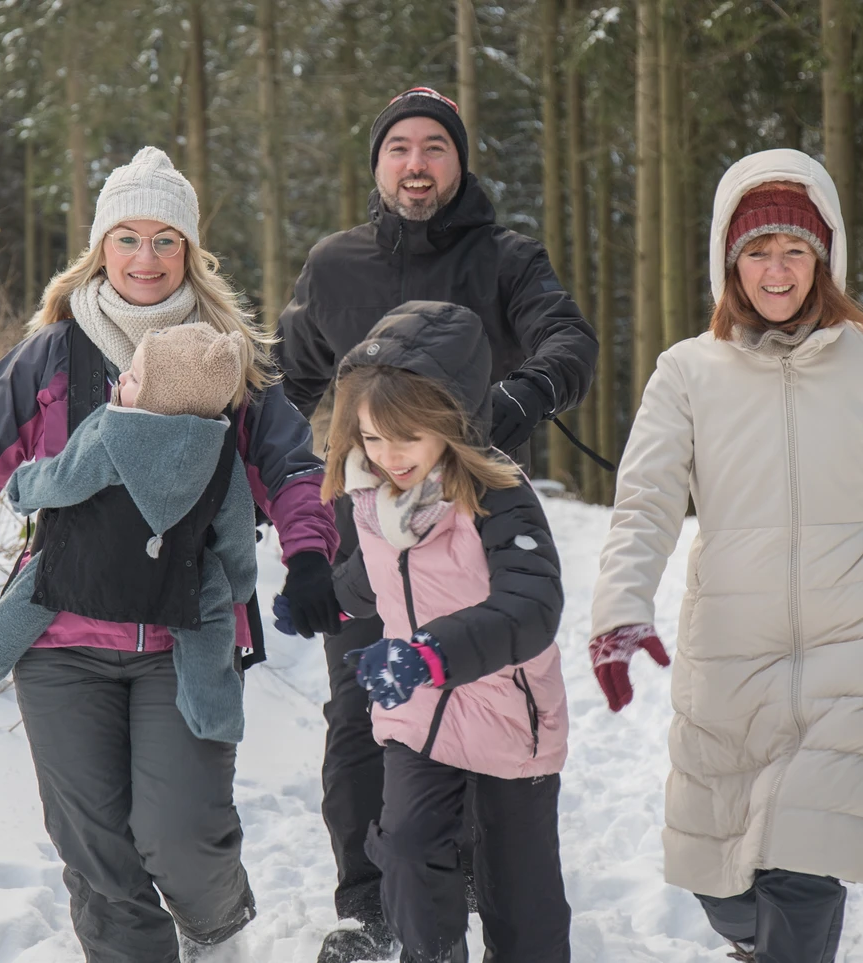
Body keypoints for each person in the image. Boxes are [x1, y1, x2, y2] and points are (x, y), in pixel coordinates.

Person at [0, 147, 341, 963]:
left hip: (188, 638)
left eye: (164, 240)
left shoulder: (224, 358)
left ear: (190, 253)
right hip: (61, 644)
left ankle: (212, 933)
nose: (144, 259)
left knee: (182, 837)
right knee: (99, 863)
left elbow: (292, 470)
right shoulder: (53, 359)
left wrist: (309, 553)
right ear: (100, 247)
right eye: (127, 238)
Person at [587, 148, 863, 963]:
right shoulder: (687, 372)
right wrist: (619, 608)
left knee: (804, 872)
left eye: (795, 248)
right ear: (729, 261)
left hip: (851, 654)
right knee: (719, 880)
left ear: (824, 256)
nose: (777, 268)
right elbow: (646, 501)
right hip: (730, 663)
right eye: (757, 250)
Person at [274, 85, 597, 961]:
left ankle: (499, 896)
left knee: (483, 706)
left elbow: (569, 342)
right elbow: (282, 384)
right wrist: (296, 498)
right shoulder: (336, 266)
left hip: (469, 519)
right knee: (362, 717)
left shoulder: (505, 257)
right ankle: (377, 905)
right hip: (372, 524)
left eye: (435, 148)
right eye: (399, 149)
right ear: (377, 164)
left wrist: (518, 397)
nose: (416, 163)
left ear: (458, 162)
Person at [324, 300, 571, 963]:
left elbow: (534, 602)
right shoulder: (375, 499)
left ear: (449, 421)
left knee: (522, 906)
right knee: (405, 844)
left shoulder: (497, 495)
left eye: (404, 436)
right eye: (371, 437)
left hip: (506, 716)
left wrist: (432, 652)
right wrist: (322, 602)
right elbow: (369, 575)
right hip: (419, 713)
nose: (386, 455)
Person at [0, 323, 258, 744]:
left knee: (41, 584)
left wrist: (23, 489)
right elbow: (235, 523)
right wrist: (238, 583)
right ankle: (214, 715)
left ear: (159, 396)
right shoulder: (220, 451)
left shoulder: (115, 434)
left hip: (92, 557)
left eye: (136, 377)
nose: (124, 378)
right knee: (210, 622)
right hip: (180, 573)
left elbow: (63, 479)